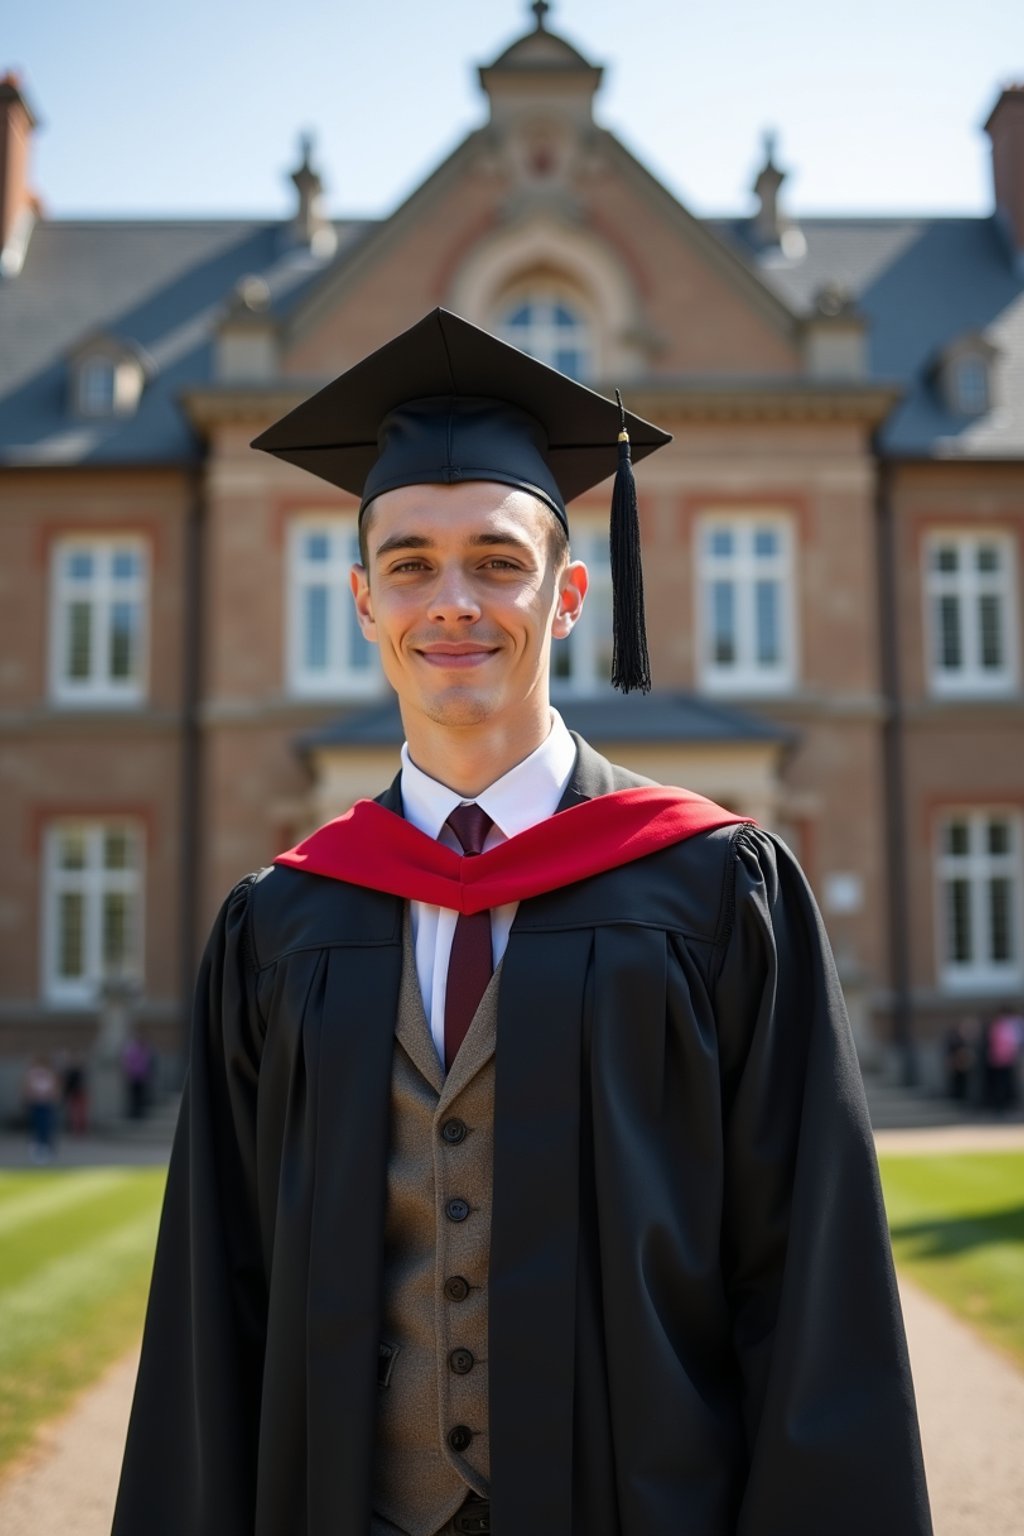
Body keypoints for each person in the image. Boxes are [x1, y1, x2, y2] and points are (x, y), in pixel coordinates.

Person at [114, 310, 932, 1536]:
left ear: (567, 595)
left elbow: (808, 1287)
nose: (453, 602)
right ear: (361, 599)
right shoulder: (285, 922)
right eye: (410, 564)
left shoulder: (715, 893)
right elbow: (214, 1309)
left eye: (497, 560)